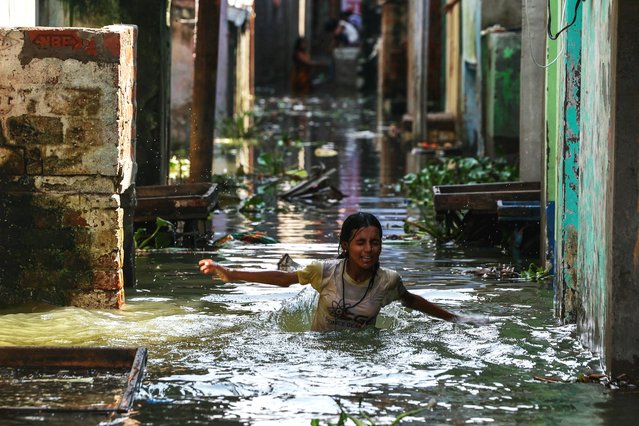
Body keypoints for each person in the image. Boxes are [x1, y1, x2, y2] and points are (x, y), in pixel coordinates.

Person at [198, 212, 473, 332]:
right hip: (320, 351)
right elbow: (284, 279)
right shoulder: (325, 271)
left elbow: (412, 301)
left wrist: (455, 318)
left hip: (365, 352)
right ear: (345, 245)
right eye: (360, 242)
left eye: (374, 242)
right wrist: (231, 273)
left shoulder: (388, 281)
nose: (368, 250)